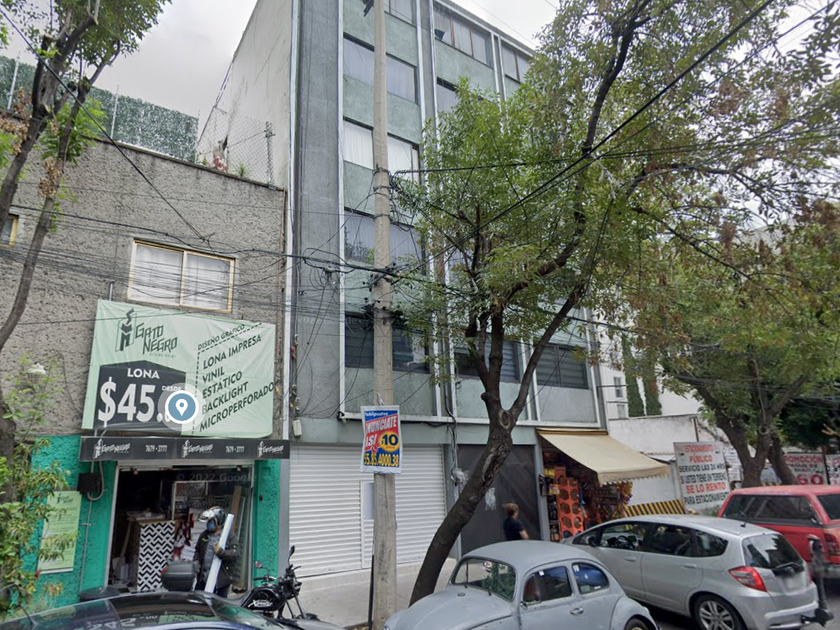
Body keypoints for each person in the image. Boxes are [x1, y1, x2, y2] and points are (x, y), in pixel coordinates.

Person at [194, 506, 239, 596]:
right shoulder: (204, 535)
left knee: (218, 603)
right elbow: (198, 550)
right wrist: (196, 562)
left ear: (219, 522)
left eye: (211, 521)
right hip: (203, 578)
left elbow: (235, 554)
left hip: (220, 583)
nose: (209, 523)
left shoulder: (229, 537)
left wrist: (220, 552)